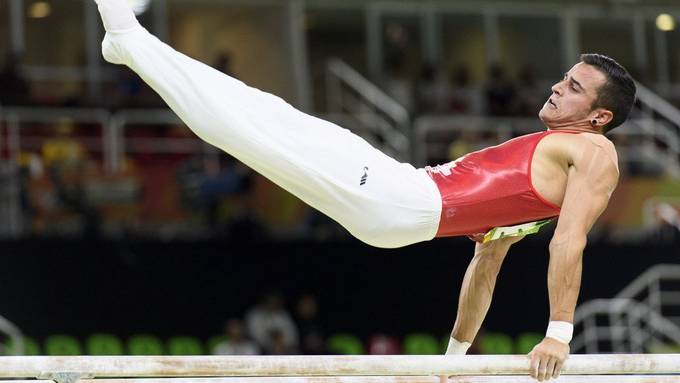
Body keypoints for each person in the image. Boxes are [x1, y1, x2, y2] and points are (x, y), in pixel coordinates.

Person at [92, 1, 636, 380]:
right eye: (562, 79)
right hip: (397, 202)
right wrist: (454, 361)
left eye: (573, 89)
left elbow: (570, 243)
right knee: (264, 118)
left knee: (251, 127)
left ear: (600, 116)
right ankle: (133, 47)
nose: (556, 89)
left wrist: (559, 334)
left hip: (399, 198)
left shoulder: (593, 152)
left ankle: (130, 40)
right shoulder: (546, 181)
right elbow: (486, 264)